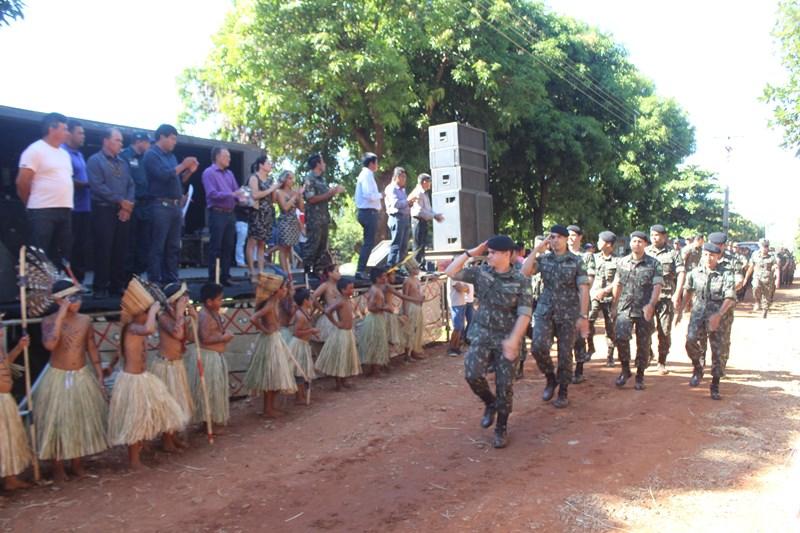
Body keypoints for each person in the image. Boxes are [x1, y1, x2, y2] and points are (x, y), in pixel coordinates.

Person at [446, 236, 532, 449]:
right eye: (489, 252)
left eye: (493, 252)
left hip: (506, 337)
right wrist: (471, 253)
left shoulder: (521, 281)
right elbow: (450, 272)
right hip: (482, 334)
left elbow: (524, 314)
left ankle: (501, 427)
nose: (489, 255)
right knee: (472, 374)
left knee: (505, 385)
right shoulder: (482, 272)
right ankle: (489, 403)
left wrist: (514, 340)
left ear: (507, 254)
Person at [35, 280, 108, 481]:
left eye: (79, 297)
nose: (78, 302)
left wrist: (99, 371)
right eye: (72, 298)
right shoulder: (48, 321)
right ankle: (58, 466)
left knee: (79, 419)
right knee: (58, 422)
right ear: (60, 300)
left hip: (81, 375)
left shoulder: (85, 320)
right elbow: (50, 344)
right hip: (58, 376)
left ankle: (77, 463)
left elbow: (91, 346)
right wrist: (61, 314)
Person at [108, 300, 187, 469]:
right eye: (145, 313)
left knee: (161, 409)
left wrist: (110, 365)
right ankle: (134, 461)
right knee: (135, 420)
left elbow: (120, 351)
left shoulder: (135, 329)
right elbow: (149, 329)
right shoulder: (133, 328)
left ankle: (151, 445)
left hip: (142, 377)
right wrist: (153, 311)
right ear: (137, 314)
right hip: (132, 380)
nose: (148, 316)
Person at [521, 226, 589, 407]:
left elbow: (583, 289)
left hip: (569, 313)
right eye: (552, 237)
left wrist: (583, 315)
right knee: (537, 347)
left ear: (566, 239)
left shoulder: (576, 261)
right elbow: (524, 272)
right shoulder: (543, 259)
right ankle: (551, 378)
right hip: (545, 310)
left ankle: (563, 391)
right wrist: (536, 250)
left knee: (565, 354)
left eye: (559, 237)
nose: (555, 240)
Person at [677, 243, 736, 400]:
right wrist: (681, 309)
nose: (708, 258)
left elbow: (730, 296)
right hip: (699, 312)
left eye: (712, 255)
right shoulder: (694, 273)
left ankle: (715, 384)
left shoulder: (726, 274)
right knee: (690, 340)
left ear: (718, 257)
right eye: (705, 254)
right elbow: (689, 291)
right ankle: (698, 367)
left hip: (719, 314)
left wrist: (719, 314)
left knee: (718, 351)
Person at [144, 124, 199, 285]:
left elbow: (177, 180)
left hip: (175, 206)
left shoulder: (171, 157)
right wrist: (183, 165)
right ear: (162, 137)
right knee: (158, 246)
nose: (175, 142)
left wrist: (189, 171)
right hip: (160, 205)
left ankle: (171, 280)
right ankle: (155, 281)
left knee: (174, 246)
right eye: (173, 138)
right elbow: (162, 175)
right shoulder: (151, 155)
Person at [16, 112, 73, 267]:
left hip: (64, 210)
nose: (68, 133)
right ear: (51, 129)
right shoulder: (35, 150)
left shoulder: (64, 154)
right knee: (39, 254)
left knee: (61, 253)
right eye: (65, 129)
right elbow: (22, 182)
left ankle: (57, 289)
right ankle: (34, 291)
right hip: (42, 210)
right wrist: (30, 203)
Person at [611, 231, 663, 391]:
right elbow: (617, 284)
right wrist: (614, 305)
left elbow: (657, 286)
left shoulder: (654, 264)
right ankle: (625, 369)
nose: (636, 244)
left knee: (644, 343)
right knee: (620, 337)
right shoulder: (622, 262)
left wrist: (651, 304)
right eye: (634, 241)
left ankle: (640, 375)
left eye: (640, 242)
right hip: (625, 307)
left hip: (644, 308)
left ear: (645, 244)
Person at [87, 128, 135, 298]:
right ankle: (100, 287)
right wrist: (120, 201)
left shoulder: (123, 162)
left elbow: (131, 184)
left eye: (121, 141)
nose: (121, 144)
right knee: (103, 248)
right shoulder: (95, 160)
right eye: (117, 140)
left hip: (123, 211)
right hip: (103, 209)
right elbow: (97, 186)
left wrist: (127, 205)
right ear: (106, 141)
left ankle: (117, 285)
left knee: (120, 249)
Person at [149, 283, 195, 451]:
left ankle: (173, 437)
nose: (187, 300)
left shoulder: (178, 316)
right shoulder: (163, 317)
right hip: (166, 367)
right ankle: (167, 441)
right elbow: (177, 334)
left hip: (177, 365)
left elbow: (189, 336)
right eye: (183, 298)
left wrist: (192, 317)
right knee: (169, 404)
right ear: (174, 301)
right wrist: (180, 314)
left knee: (177, 403)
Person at [244, 279, 298, 418]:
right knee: (271, 375)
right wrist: (265, 330)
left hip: (274, 340)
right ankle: (268, 409)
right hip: (270, 342)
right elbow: (253, 318)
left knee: (275, 376)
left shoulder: (275, 303)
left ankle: (270, 408)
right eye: (284, 288)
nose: (285, 290)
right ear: (276, 291)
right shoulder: (269, 305)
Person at [188, 283, 233, 431]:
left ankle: (211, 420)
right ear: (209, 301)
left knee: (215, 390)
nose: (222, 302)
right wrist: (224, 338)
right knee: (208, 391)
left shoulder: (213, 313)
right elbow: (205, 338)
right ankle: (208, 423)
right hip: (208, 357)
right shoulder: (204, 316)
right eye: (219, 299)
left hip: (215, 357)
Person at [645, 224, 685, 375]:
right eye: (652, 235)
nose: (654, 238)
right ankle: (648, 354)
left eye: (657, 235)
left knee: (664, 331)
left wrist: (677, 293)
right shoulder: (645, 251)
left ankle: (661, 361)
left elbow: (681, 273)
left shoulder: (673, 253)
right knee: (645, 329)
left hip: (666, 297)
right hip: (647, 298)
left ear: (664, 236)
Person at [202, 146, 243, 286]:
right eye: (226, 156)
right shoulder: (209, 172)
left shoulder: (229, 174)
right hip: (217, 212)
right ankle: (213, 278)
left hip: (230, 213)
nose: (229, 159)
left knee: (229, 245)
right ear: (218, 157)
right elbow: (211, 194)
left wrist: (242, 198)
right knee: (216, 246)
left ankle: (225, 276)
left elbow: (237, 191)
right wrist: (231, 195)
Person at [315, 277, 362, 390]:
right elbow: (327, 311)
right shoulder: (340, 301)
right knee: (339, 357)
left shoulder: (347, 300)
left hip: (348, 333)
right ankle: (338, 384)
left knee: (345, 357)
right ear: (343, 290)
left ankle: (344, 380)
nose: (352, 290)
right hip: (341, 333)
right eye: (350, 288)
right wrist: (336, 323)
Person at [0, 325, 32, 490]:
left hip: (5, 401)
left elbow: (5, 363)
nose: (2, 330)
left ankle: (10, 480)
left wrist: (20, 347)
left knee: (8, 440)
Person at [303, 153, 346, 274]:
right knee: (312, 245)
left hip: (324, 217)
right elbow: (310, 198)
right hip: (314, 218)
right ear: (317, 164)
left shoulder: (322, 179)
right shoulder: (309, 179)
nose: (324, 164)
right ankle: (307, 272)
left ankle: (317, 271)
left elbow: (325, 198)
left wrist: (334, 193)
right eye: (322, 162)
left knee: (322, 246)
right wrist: (330, 193)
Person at [120, 132, 153, 277]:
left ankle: (138, 276)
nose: (149, 146)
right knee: (129, 243)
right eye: (147, 142)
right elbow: (125, 181)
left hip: (145, 206)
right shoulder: (125, 156)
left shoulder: (146, 158)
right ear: (139, 141)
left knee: (144, 243)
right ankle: (125, 279)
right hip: (131, 205)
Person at [566, 225, 595, 384]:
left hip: (580, 300)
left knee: (578, 335)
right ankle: (566, 368)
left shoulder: (586, 257)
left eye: (573, 235)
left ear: (580, 237)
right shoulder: (560, 255)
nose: (570, 238)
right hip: (563, 302)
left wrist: (581, 291)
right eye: (568, 235)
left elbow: (590, 279)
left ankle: (579, 369)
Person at [63, 120, 91, 283]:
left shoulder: (79, 155)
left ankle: (78, 283)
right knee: (69, 247)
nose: (83, 136)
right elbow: (67, 179)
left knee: (81, 247)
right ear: (70, 134)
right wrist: (88, 184)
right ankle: (67, 283)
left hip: (85, 208)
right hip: (70, 208)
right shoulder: (63, 152)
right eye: (80, 133)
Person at [246, 156, 280, 281]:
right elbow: (255, 195)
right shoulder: (254, 178)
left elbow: (274, 200)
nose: (270, 165)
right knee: (252, 242)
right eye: (268, 163)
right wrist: (271, 189)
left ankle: (261, 271)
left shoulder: (271, 180)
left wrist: (276, 189)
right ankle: (251, 271)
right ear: (261, 165)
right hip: (256, 213)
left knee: (262, 244)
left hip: (268, 213)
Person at [589, 231, 618, 367]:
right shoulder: (592, 258)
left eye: (600, 241)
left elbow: (619, 280)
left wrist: (605, 291)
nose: (597, 243)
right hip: (593, 296)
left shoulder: (618, 261)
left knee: (610, 326)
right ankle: (590, 347)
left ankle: (610, 355)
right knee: (589, 320)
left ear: (608, 244)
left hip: (609, 298)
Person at [358, 268, 392, 376]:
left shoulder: (375, 289)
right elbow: (371, 307)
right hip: (375, 318)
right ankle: (375, 370)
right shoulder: (375, 290)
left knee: (375, 343)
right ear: (377, 279)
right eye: (383, 276)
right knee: (377, 343)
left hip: (375, 318)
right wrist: (385, 308)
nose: (385, 278)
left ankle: (374, 369)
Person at [288, 288, 318, 405]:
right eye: (310, 299)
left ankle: (302, 395)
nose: (312, 301)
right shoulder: (300, 315)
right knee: (299, 371)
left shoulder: (304, 312)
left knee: (302, 370)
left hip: (303, 344)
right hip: (298, 345)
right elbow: (297, 332)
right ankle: (299, 397)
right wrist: (311, 330)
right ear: (305, 301)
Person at [354, 152, 382, 279]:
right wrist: (381, 195)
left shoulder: (368, 175)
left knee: (369, 242)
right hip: (367, 212)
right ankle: (360, 270)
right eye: (376, 162)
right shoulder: (366, 175)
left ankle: (362, 269)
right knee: (368, 242)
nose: (377, 165)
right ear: (371, 163)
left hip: (369, 212)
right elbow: (368, 195)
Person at [274, 170, 305, 281]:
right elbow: (285, 207)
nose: (293, 181)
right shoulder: (279, 192)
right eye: (290, 178)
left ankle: (288, 273)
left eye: (293, 178)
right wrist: (294, 196)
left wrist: (300, 195)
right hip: (284, 222)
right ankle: (285, 274)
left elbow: (301, 208)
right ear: (285, 180)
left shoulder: (294, 192)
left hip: (293, 222)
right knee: (283, 249)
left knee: (288, 249)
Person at [408, 173, 443, 267]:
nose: (430, 184)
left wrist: (435, 215)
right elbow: (420, 211)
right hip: (418, 220)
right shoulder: (418, 192)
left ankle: (421, 266)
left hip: (423, 221)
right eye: (429, 182)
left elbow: (428, 209)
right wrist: (434, 216)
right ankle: (416, 267)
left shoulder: (424, 193)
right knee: (418, 246)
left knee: (422, 245)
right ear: (424, 182)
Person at [384, 167, 415, 267]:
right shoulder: (391, 188)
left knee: (404, 246)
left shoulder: (402, 190)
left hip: (404, 218)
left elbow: (403, 204)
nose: (405, 179)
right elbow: (396, 204)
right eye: (403, 177)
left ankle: (400, 268)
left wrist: (409, 204)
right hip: (396, 218)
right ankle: (390, 267)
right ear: (397, 177)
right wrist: (407, 202)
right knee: (396, 245)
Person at [744, 238, 779, 318]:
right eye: (763, 246)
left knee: (767, 297)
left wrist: (777, 280)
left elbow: (776, 267)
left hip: (768, 280)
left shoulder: (772, 256)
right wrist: (746, 278)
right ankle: (757, 301)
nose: (765, 248)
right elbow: (751, 267)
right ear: (760, 246)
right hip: (757, 277)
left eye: (766, 246)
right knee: (755, 287)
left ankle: (765, 310)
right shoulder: (755, 255)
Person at [402, 259, 427, 361]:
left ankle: (414, 351)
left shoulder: (417, 280)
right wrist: (405, 312)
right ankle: (407, 354)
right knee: (410, 330)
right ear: (411, 269)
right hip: (411, 307)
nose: (418, 269)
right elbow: (405, 297)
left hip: (418, 306)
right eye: (415, 268)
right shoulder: (407, 281)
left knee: (417, 330)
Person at [447, 269, 474, 357]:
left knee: (459, 326)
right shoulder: (453, 276)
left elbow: (466, 288)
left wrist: (465, 288)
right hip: (456, 304)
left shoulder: (459, 277)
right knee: (457, 327)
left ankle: (456, 346)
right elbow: (460, 288)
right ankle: (452, 347)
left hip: (461, 303)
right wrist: (465, 288)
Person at [311, 264, 341, 342]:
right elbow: (313, 297)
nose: (339, 274)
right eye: (337, 271)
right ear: (330, 273)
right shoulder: (325, 285)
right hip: (330, 316)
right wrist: (322, 309)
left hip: (341, 315)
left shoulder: (340, 284)